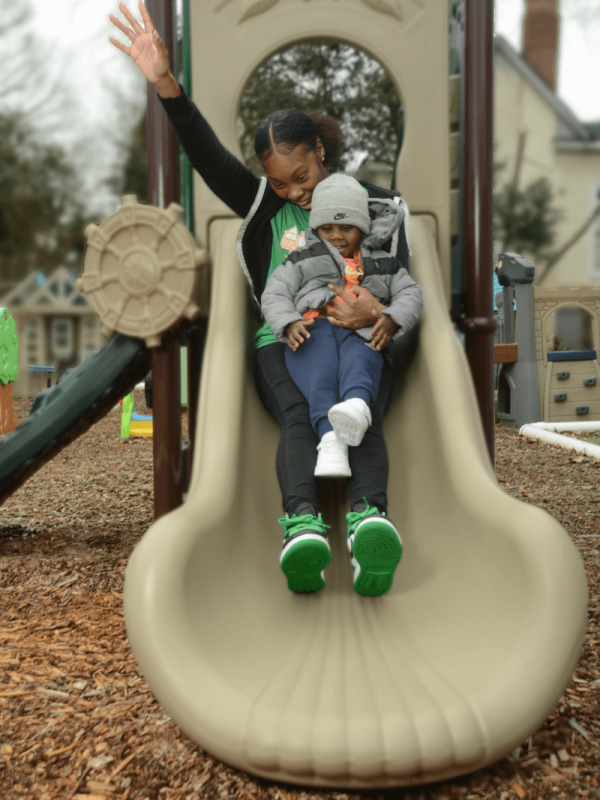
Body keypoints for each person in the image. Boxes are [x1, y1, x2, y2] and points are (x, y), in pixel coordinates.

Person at [109, 1, 417, 598]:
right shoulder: (264, 210)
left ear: (319, 155)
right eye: (280, 183)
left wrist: (377, 316)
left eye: (301, 177)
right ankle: (301, 526)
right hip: (288, 341)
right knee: (301, 417)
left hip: (361, 338)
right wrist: (166, 83)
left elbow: (399, 283)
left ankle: (369, 520)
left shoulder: (377, 208)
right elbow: (206, 155)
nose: (295, 193)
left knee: (363, 415)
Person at [261, 174, 422, 484]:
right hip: (313, 330)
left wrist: (388, 315)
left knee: (361, 361)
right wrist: (289, 321)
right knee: (320, 373)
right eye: (327, 228)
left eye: (346, 227)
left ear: (361, 228)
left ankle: (357, 407)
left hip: (360, 333)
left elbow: (411, 294)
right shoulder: (303, 259)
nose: (336, 236)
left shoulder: (383, 263)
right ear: (316, 229)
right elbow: (275, 292)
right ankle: (331, 439)